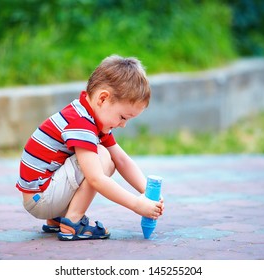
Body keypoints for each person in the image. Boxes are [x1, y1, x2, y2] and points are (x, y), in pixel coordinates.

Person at [16, 55, 164, 241]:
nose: (123, 125)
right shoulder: (81, 123)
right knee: (101, 156)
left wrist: (147, 194)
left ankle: (57, 219)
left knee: (108, 159)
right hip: (41, 199)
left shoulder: (89, 117)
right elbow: (95, 179)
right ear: (103, 99)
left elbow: (122, 160)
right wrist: (136, 205)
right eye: (123, 117)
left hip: (42, 197)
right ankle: (72, 222)